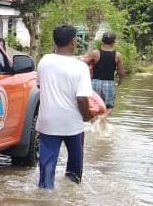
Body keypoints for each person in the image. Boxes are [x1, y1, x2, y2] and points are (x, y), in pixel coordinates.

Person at [36, 24, 95, 189]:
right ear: (73, 42)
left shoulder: (44, 61)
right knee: (75, 170)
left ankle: (45, 194)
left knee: (46, 170)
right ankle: (73, 199)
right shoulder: (80, 67)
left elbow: (40, 86)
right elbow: (82, 98)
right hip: (72, 124)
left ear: (54, 42)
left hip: (48, 123)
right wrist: (87, 116)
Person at [83, 31, 125, 117]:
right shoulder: (117, 55)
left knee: (94, 106)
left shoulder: (95, 53)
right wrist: (120, 81)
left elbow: (82, 63)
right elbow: (121, 72)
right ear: (114, 42)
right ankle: (101, 120)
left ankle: (95, 125)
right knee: (109, 107)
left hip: (95, 83)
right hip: (109, 83)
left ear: (102, 41)